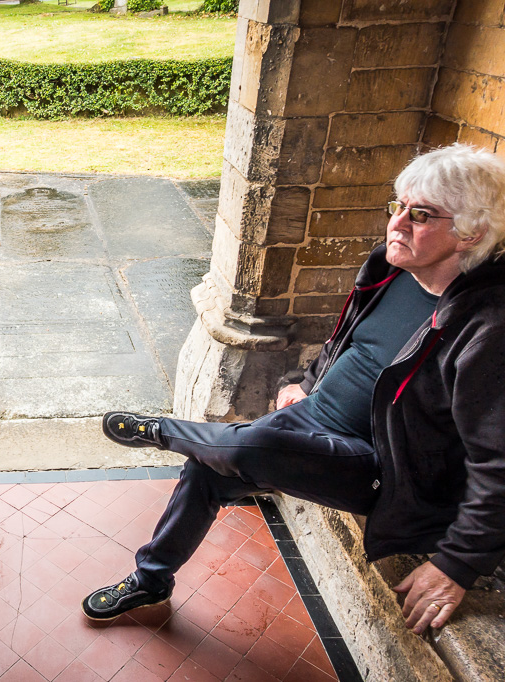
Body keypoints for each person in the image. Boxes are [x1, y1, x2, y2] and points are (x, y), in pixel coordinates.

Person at [83, 143, 505, 636]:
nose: (397, 223)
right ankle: (151, 580)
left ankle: (164, 431)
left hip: (382, 465)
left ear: (470, 232)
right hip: (317, 413)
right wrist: (307, 383)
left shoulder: (487, 326)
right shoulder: (390, 267)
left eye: (421, 215)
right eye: (398, 206)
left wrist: (456, 564)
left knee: (251, 442)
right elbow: (346, 339)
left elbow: (497, 461)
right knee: (206, 467)